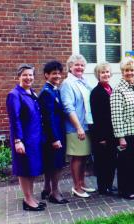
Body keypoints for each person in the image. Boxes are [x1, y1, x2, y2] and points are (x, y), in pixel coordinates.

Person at [6, 64, 45, 211]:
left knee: (32, 168)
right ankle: (28, 200)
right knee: (24, 169)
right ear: (18, 76)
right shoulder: (14, 95)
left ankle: (30, 196)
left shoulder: (31, 92)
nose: (28, 78)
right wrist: (18, 141)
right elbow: (14, 119)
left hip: (35, 139)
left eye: (31, 75)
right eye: (25, 75)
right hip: (23, 139)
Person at [60, 54, 95, 198]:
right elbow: (68, 107)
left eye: (82, 65)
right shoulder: (68, 84)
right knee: (77, 158)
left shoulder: (83, 81)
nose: (79, 67)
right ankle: (76, 187)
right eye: (76, 65)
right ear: (70, 67)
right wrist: (78, 127)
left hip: (86, 124)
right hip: (76, 127)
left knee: (84, 156)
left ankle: (82, 182)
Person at [111, 57, 134, 200]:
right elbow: (116, 116)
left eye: (132, 70)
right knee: (125, 164)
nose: (129, 73)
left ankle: (132, 186)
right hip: (126, 135)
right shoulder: (118, 91)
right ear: (122, 71)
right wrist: (121, 137)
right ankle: (124, 190)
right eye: (126, 70)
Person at [38, 61, 68, 204]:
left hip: (57, 133)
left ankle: (47, 189)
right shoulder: (47, 93)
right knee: (56, 164)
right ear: (46, 75)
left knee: (52, 163)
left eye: (58, 73)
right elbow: (48, 118)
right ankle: (55, 193)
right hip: (54, 135)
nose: (57, 75)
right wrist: (55, 138)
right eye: (53, 73)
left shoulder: (53, 90)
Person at [90, 62, 117, 196]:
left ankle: (109, 185)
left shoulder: (110, 89)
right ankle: (103, 187)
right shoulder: (96, 92)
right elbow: (97, 116)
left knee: (111, 160)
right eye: (102, 72)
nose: (105, 74)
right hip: (102, 134)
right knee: (102, 162)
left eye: (107, 72)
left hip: (112, 132)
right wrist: (101, 137)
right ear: (98, 75)